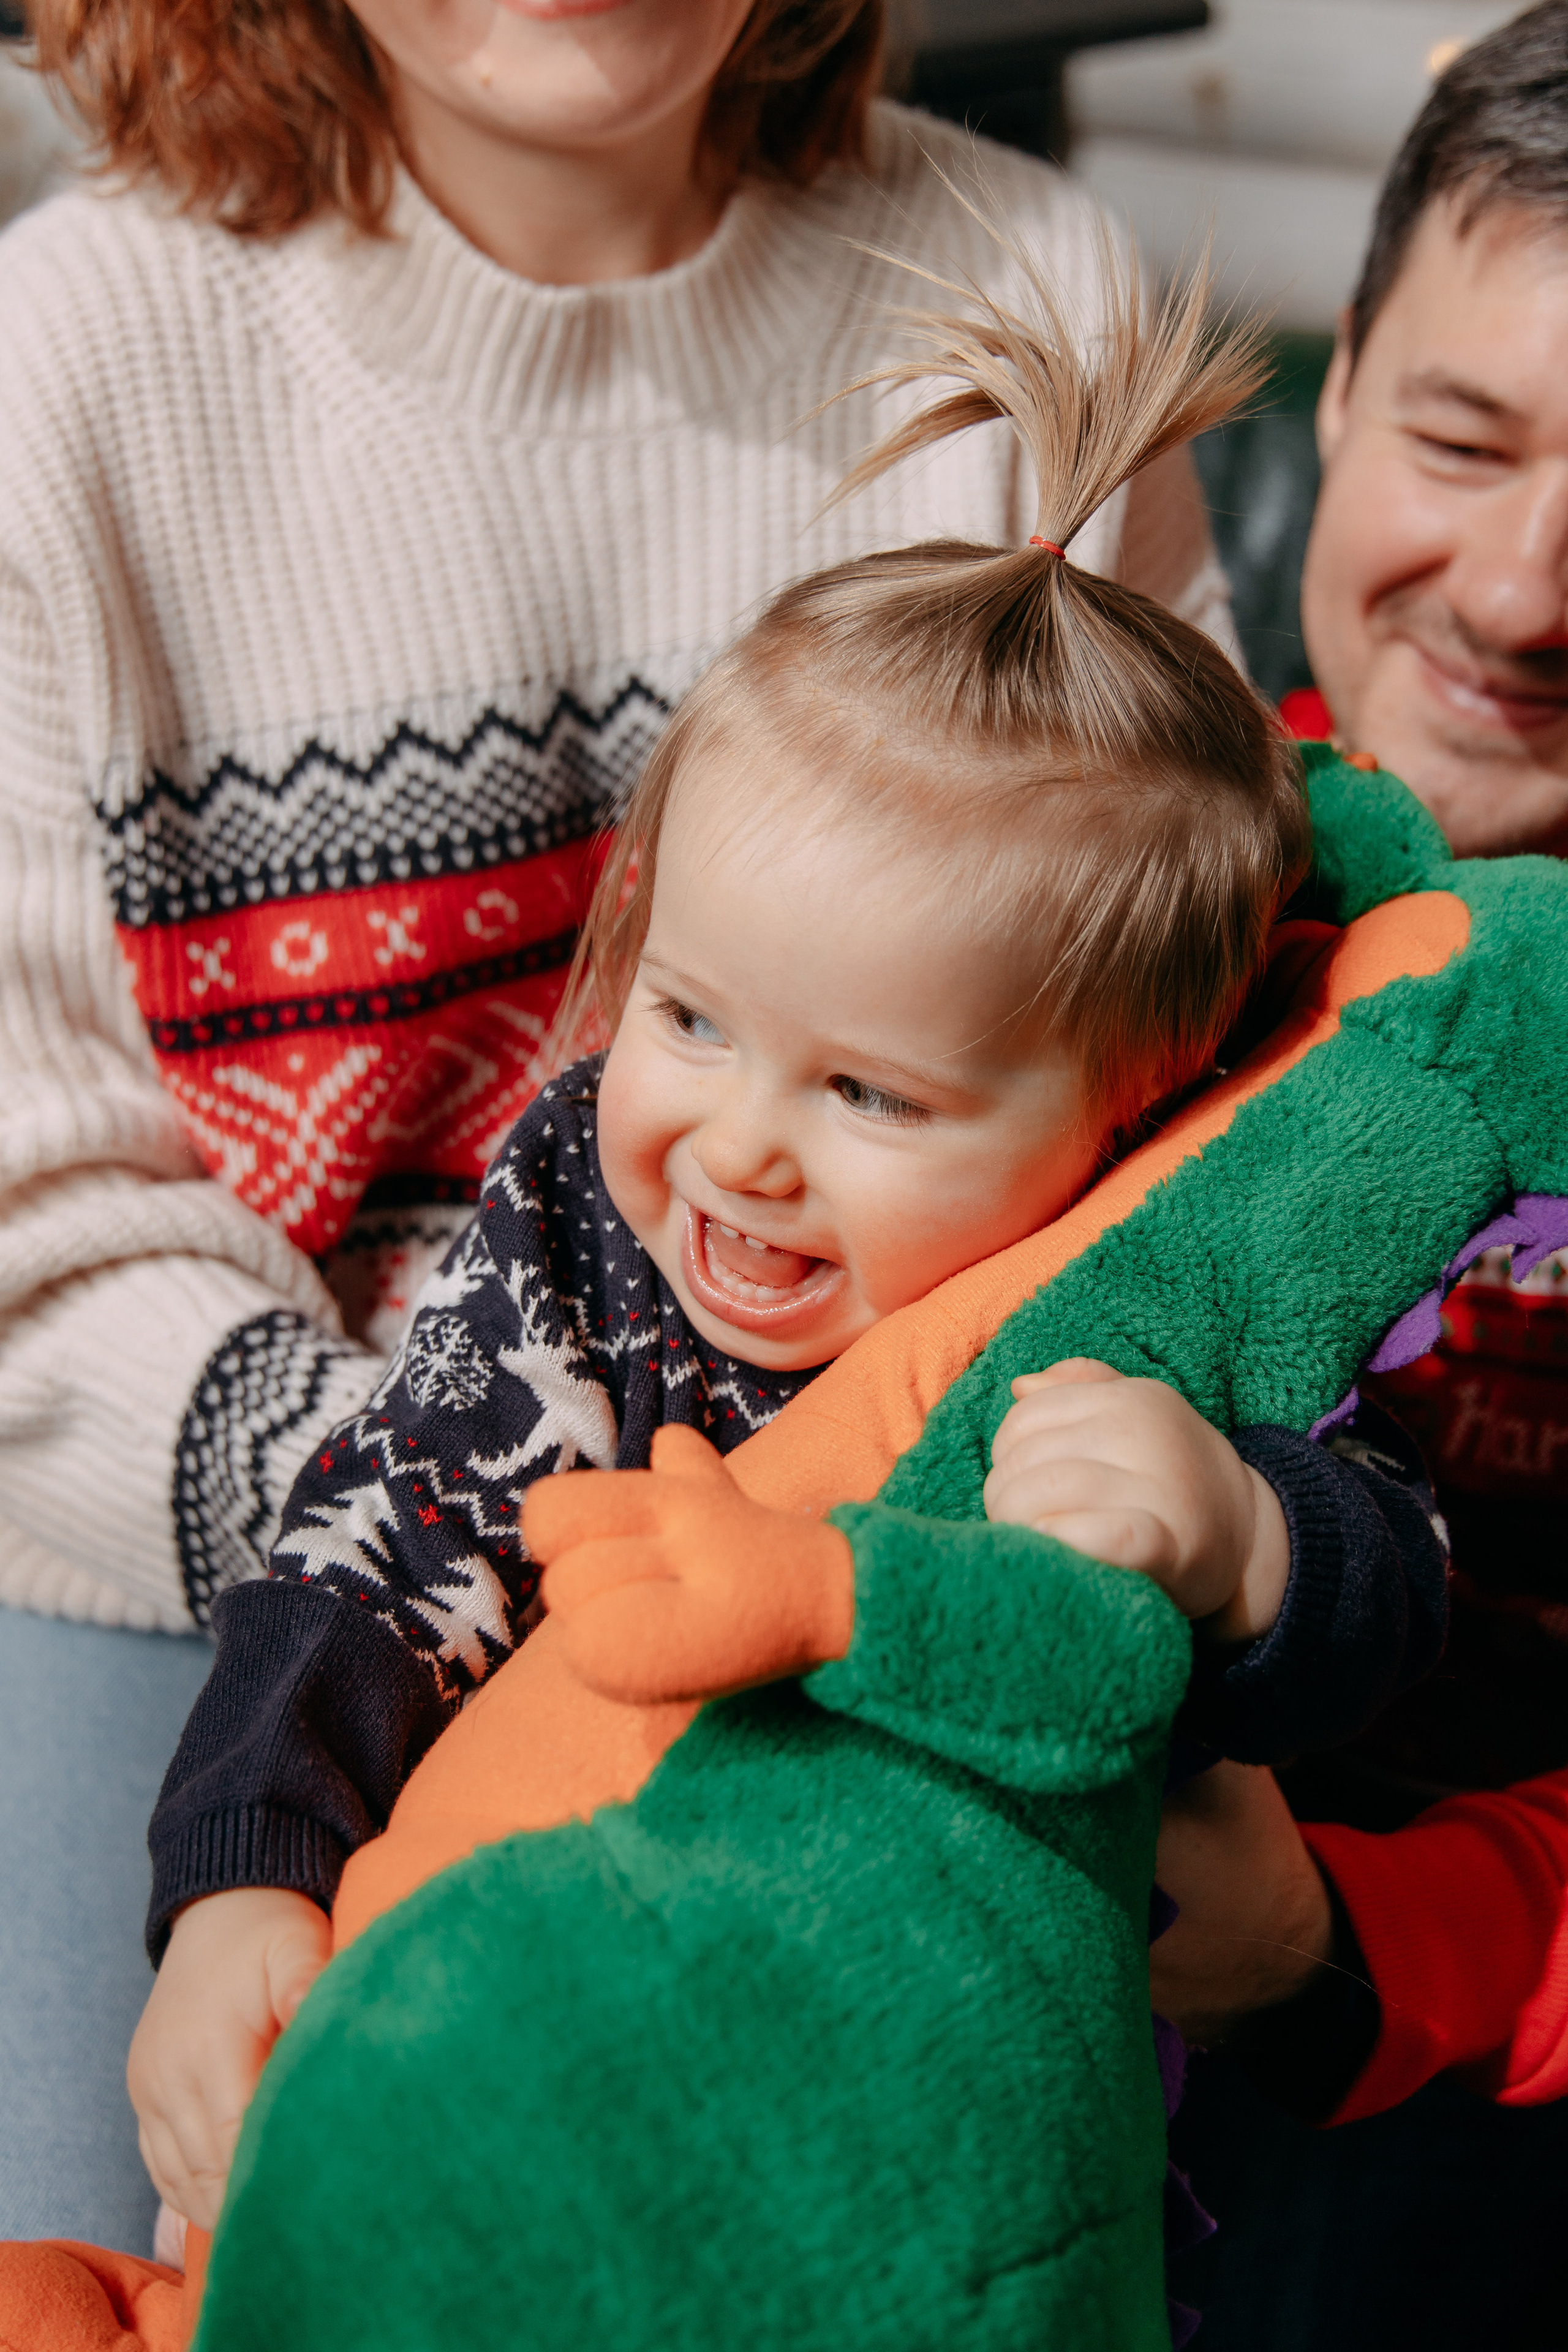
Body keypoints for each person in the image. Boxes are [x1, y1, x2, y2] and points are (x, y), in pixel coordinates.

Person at [0, 0, 1235, 2251]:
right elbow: (34, 1236)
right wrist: (499, 1575)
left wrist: (859, 1560)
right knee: (187, 2203)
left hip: (881, 1511)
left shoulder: (1034, 295)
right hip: (250, 1516)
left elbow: (1192, 1081)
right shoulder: (63, 364)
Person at [124, 246, 1450, 2246]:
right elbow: (387, 1537)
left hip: (973, 2109)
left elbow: (1403, 1573)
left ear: (1137, 1095)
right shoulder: (592, 1220)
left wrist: (1251, 1536)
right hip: (570, 1976)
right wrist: (244, 1868)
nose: (737, 1144)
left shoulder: (1157, 1286)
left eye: (873, 1097)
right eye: (692, 1016)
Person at [1153, 8, 1568, 2343]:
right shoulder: (1102, 863)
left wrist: (1338, 1954)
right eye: (1458, 436)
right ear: (1331, 394)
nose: (1519, 596)